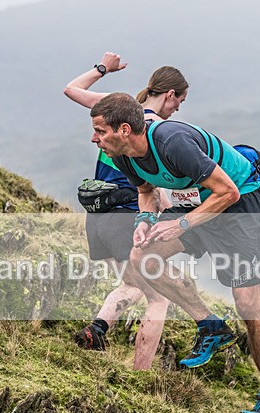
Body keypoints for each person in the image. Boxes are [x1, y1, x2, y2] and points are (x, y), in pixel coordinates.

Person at [89, 92, 260, 413]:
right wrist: (144, 220)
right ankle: (211, 326)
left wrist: (180, 224)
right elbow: (146, 192)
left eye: (100, 131)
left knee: (247, 303)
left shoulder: (171, 142)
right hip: (197, 206)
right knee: (142, 257)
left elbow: (228, 192)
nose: (94, 138)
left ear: (124, 129)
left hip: (240, 206)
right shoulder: (123, 155)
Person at [63, 53, 188, 369]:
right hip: (127, 216)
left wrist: (103, 68)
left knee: (133, 283)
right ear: (170, 95)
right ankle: (141, 374)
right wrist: (177, 220)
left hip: (97, 217)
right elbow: (153, 187)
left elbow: (72, 89)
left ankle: (98, 330)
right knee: (159, 297)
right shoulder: (155, 129)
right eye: (180, 101)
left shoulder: (117, 105)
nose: (178, 108)